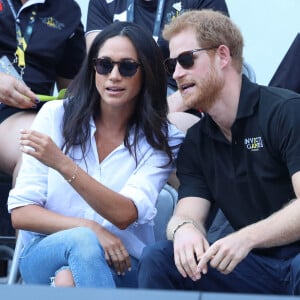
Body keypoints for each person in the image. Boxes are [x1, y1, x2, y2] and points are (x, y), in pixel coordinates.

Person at [7, 21, 184, 287]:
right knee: (82, 242)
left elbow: (126, 214)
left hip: (125, 263)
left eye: (127, 67)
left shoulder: (163, 137)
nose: (114, 76)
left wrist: (63, 164)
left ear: (146, 72)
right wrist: (89, 229)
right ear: (93, 70)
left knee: (68, 280)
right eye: (104, 65)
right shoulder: (55, 116)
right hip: (45, 253)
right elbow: (21, 213)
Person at [138, 9, 300, 295]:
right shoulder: (198, 140)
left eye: (186, 60)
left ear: (222, 56)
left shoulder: (285, 111)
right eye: (171, 64)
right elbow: (187, 214)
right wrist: (184, 230)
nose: (176, 73)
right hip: (255, 267)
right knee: (160, 259)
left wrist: (247, 238)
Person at [85, 0, 229, 115]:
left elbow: (218, 65)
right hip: (121, 98)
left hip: (181, 101)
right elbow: (99, 63)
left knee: (173, 127)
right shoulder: (103, 2)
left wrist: (162, 111)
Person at [0, 0, 86, 185]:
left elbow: (72, 89)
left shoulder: (67, 10)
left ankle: (26, 213)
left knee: (36, 145)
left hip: (22, 114)